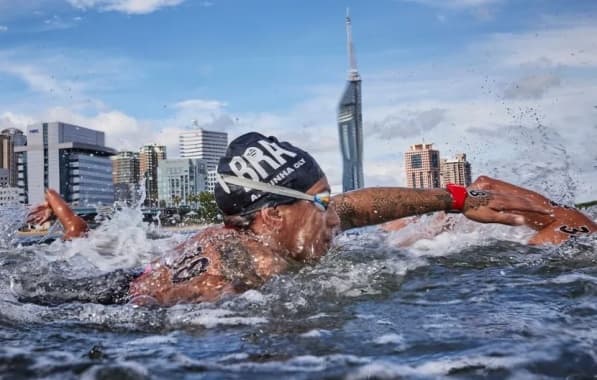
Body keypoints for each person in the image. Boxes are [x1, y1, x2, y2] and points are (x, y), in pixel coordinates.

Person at [24, 132, 559, 307]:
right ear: (274, 215)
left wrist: (456, 198)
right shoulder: (239, 271)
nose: (335, 215)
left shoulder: (275, 232)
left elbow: (360, 205)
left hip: (137, 270)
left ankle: (73, 229)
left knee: (91, 250)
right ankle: (73, 232)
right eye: (320, 203)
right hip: (111, 302)